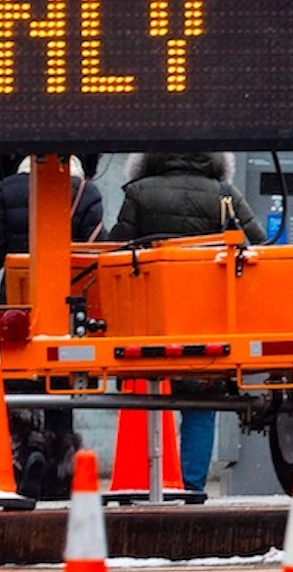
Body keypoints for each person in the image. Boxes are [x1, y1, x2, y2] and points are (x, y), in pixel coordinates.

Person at [109, 151, 261, 494]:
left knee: (148, 399)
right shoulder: (224, 194)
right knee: (200, 407)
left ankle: (150, 481)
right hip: (206, 320)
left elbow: (117, 250)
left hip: (151, 321)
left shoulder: (139, 192)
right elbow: (259, 243)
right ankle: (191, 488)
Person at [0, 154, 104, 499]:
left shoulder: (6, 190)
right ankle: (60, 465)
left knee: (19, 380)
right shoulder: (86, 193)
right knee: (59, 381)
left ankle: (25, 450)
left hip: (16, 305)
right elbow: (96, 254)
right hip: (66, 306)